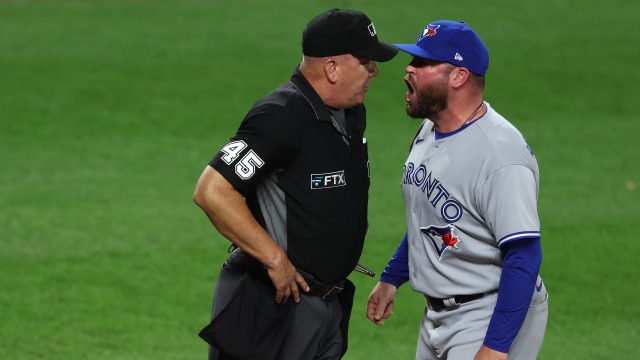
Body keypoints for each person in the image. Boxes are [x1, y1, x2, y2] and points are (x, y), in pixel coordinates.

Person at [193, 8, 397, 360]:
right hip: (273, 307)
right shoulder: (282, 115)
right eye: (365, 61)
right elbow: (212, 191)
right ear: (332, 68)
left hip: (325, 308)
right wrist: (274, 259)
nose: (375, 71)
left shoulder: (349, 114)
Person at [366, 20, 548, 360]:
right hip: (437, 314)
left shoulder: (500, 156)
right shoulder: (428, 131)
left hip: (491, 311)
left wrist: (494, 348)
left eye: (422, 63)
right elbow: (433, 220)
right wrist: (392, 278)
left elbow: (524, 256)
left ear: (458, 76)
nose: (409, 68)